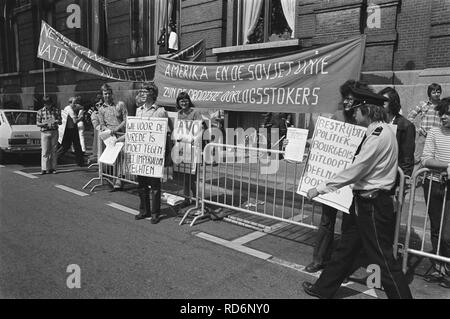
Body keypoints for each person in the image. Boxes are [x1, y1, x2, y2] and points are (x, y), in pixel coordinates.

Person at [303, 99, 413, 299]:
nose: (353, 115)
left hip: (373, 204)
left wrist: (320, 188)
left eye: (356, 111)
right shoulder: (379, 131)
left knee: (384, 260)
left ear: (367, 111)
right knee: (345, 249)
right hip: (364, 202)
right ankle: (323, 289)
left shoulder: (378, 135)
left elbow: (357, 169)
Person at [304, 80, 380, 273]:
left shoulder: (368, 124)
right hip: (334, 179)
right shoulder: (336, 117)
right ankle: (319, 259)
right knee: (326, 220)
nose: (347, 102)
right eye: (345, 98)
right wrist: (302, 143)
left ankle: (341, 268)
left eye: (351, 99)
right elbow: (322, 140)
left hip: (355, 183)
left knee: (349, 228)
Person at [117, 82, 169, 223]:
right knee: (142, 185)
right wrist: (121, 139)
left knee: (155, 186)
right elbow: (135, 131)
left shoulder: (160, 111)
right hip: (140, 154)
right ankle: (144, 210)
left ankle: (155, 213)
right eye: (141, 91)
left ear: (153, 93)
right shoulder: (139, 110)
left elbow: (164, 133)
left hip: (153, 154)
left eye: (145, 91)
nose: (142, 94)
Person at [420, 97, 450, 289]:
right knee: (436, 227)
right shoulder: (433, 132)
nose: (444, 117)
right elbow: (426, 159)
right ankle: (438, 267)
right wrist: (447, 166)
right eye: (442, 113)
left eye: (448, 113)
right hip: (433, 184)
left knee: (448, 233)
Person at [174, 91, 204, 207]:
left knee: (192, 177)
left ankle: (196, 199)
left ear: (189, 101)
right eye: (181, 101)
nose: (184, 103)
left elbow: (199, 128)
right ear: (178, 102)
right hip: (183, 148)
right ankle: (187, 199)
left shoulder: (195, 112)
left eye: (185, 100)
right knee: (185, 176)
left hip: (193, 148)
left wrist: (193, 139)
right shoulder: (179, 113)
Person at [379, 87, 415, 178]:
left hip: (393, 178)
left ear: (393, 103)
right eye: (380, 100)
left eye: (385, 100)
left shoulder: (406, 126)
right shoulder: (375, 122)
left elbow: (407, 158)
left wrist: (404, 180)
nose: (381, 103)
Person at [98, 83, 128, 191]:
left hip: (120, 134)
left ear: (112, 94)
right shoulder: (101, 109)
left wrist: (117, 129)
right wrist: (108, 131)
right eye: (105, 94)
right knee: (113, 157)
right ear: (102, 95)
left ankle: (119, 179)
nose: (107, 96)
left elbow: (126, 120)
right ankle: (113, 178)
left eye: (109, 93)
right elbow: (101, 124)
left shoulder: (119, 104)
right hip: (109, 135)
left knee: (121, 157)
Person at [407, 83, 442, 165]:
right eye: (434, 92)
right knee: (418, 158)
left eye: (438, 92)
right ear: (429, 93)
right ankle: (415, 177)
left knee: (435, 158)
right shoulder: (423, 104)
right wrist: (418, 129)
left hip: (437, 136)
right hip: (423, 136)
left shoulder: (442, 105)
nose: (436, 94)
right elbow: (410, 117)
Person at [36, 96, 62, 174]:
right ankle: (44, 168)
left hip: (54, 131)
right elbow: (37, 123)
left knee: (54, 150)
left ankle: (53, 168)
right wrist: (43, 123)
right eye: (46, 104)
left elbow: (60, 121)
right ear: (44, 104)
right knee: (45, 151)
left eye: (49, 103)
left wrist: (55, 121)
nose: (48, 105)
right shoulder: (40, 111)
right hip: (45, 132)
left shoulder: (56, 111)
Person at [57, 96, 85, 167]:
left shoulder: (67, 108)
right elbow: (75, 121)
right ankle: (80, 162)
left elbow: (80, 107)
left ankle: (56, 158)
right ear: (70, 103)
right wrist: (80, 118)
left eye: (76, 103)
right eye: (74, 103)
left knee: (66, 146)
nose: (75, 105)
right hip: (71, 130)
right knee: (77, 146)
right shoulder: (70, 110)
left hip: (69, 129)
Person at [87, 94, 103, 164]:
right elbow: (96, 125)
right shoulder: (94, 114)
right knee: (99, 150)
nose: (99, 106)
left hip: (105, 134)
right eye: (97, 105)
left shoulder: (105, 111)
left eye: (101, 104)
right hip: (99, 134)